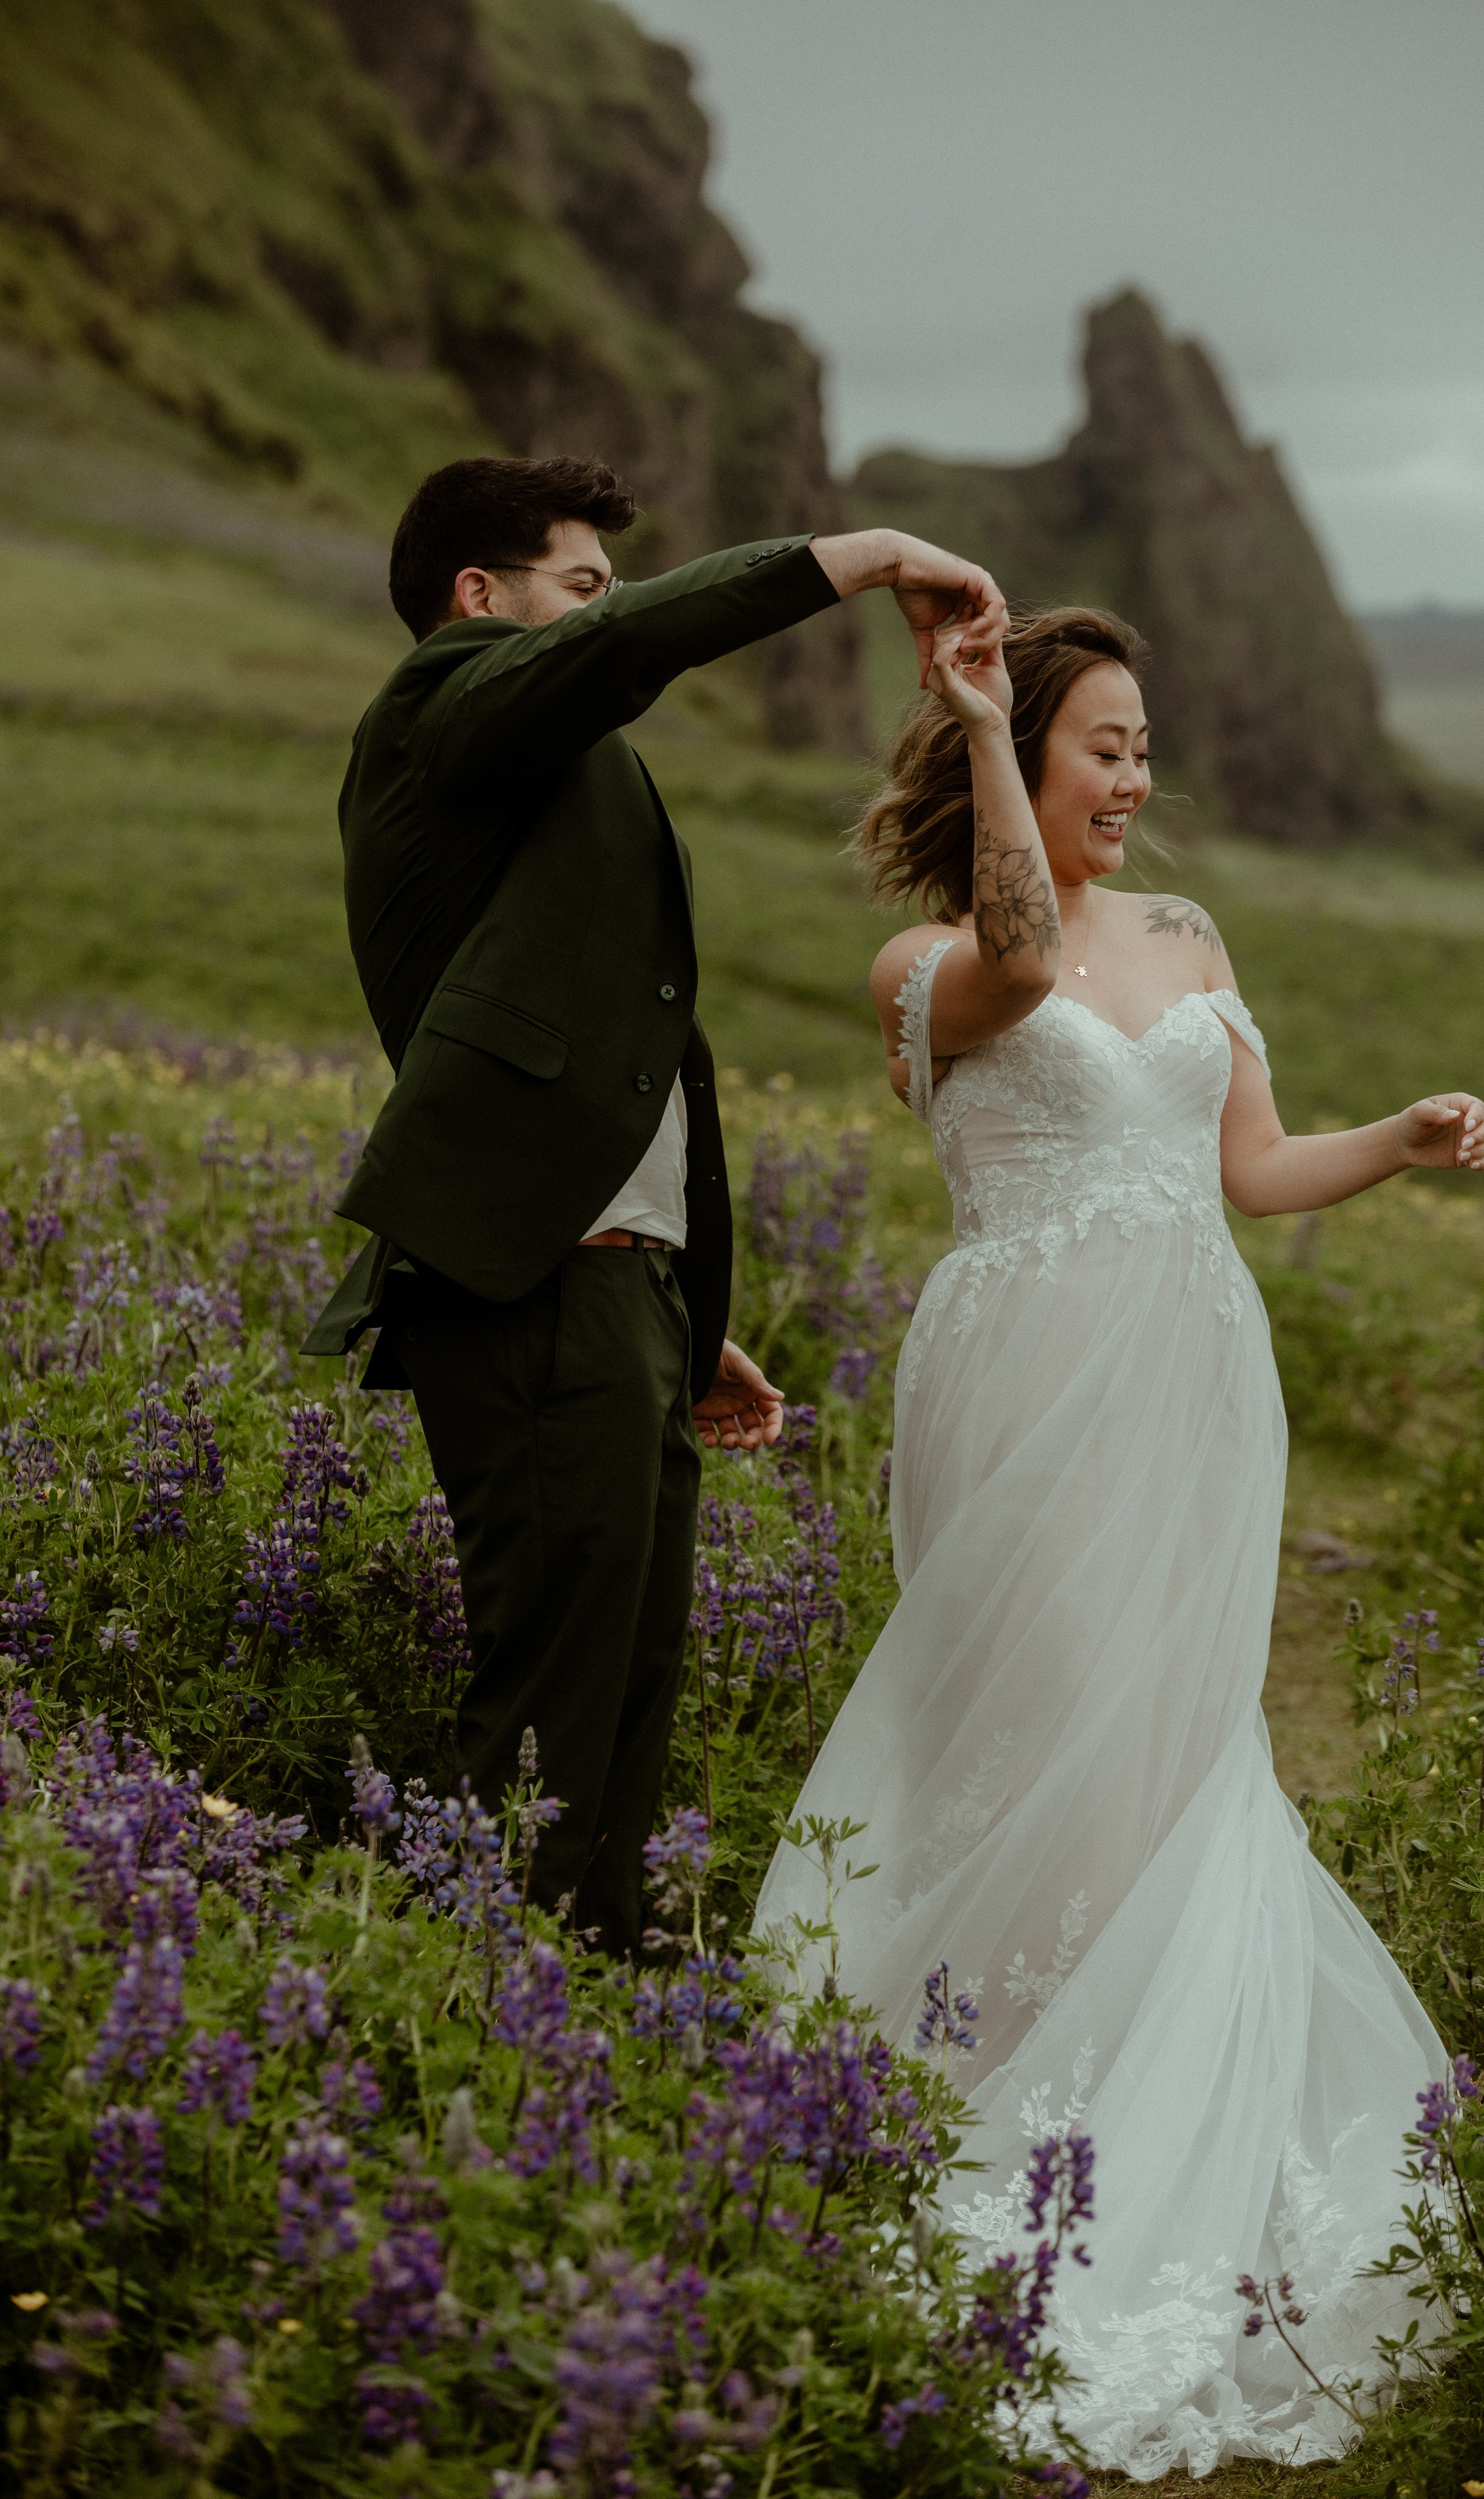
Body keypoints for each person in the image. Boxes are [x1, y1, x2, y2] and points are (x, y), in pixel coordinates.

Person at [752, 605, 1484, 2474]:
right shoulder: (928, 963)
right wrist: (982, 722)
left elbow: (1247, 1170)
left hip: (1196, 1375)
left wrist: (1395, 1140)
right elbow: (1020, 954)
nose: (1135, 778)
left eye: (1144, 747)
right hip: (1027, 1375)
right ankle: (1002, 2080)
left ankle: (1171, 2091)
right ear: (1013, 756)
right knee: (1039, 1716)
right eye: (1104, 745)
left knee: (1175, 1731)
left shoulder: (1186, 934)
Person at [303, 453, 1006, 1955]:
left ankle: (592, 1995)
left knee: (626, 1684)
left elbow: (606, 1040)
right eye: (575, 586)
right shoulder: (439, 707)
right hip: (531, 1284)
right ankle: (480, 2001)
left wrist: (675, 1294)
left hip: (609, 1277)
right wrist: (863, 555)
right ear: (476, 598)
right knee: (552, 1696)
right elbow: (627, 648)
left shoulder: (530, 771)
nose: (599, 613)